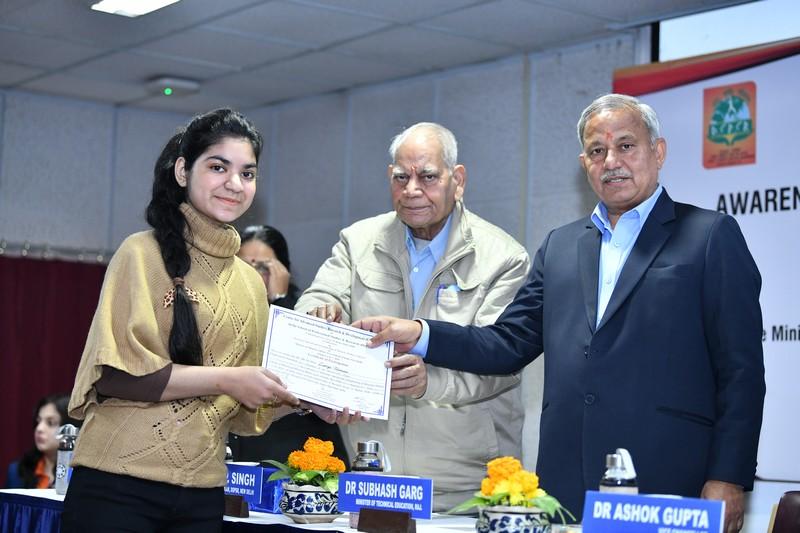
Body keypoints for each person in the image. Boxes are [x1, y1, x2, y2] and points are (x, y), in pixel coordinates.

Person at [356, 95, 765, 532]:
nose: (611, 161)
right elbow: (506, 343)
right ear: (584, 163)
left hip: (668, 480)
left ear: (658, 152)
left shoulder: (708, 236)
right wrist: (420, 333)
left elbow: (741, 371)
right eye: (597, 150)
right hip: (566, 485)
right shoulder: (561, 246)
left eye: (626, 146)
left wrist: (728, 477)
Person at [61, 108, 321, 532]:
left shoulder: (250, 284)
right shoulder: (140, 253)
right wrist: (227, 380)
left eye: (247, 173)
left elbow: (243, 412)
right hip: (117, 485)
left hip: (204, 493)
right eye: (218, 167)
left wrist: (305, 400)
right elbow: (115, 377)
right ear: (183, 171)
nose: (234, 183)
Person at [295, 122, 530, 511]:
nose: (412, 190)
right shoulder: (358, 241)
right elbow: (319, 296)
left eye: (428, 177)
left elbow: (502, 360)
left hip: (466, 487)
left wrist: (428, 382)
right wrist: (320, 311)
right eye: (401, 177)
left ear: (458, 180)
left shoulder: (503, 258)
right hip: (372, 477)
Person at [232, 225, 349, 464]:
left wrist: (280, 300)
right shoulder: (224, 315)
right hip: (242, 442)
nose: (252, 275)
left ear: (282, 271)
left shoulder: (306, 313)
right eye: (244, 266)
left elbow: (292, 368)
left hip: (297, 446)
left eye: (263, 267)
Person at [6, 394, 78, 488]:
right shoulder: (18, 471)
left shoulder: (80, 473)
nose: (39, 428)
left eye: (50, 423)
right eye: (38, 421)